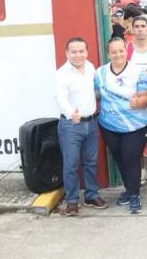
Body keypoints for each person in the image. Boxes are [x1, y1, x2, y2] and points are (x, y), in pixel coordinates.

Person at [95, 37, 147, 214]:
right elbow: (96, 95)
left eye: (121, 50)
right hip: (109, 125)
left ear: (126, 50)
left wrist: (140, 102)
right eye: (113, 52)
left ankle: (134, 195)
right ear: (108, 53)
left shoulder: (139, 71)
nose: (118, 54)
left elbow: (145, 97)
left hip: (137, 124)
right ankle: (129, 189)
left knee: (130, 157)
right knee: (119, 157)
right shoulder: (100, 73)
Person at [55, 37, 106, 216]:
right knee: (71, 165)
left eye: (81, 51)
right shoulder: (62, 74)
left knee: (91, 162)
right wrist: (71, 113)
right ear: (67, 53)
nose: (78, 55)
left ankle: (91, 195)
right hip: (71, 125)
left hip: (91, 123)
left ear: (87, 52)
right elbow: (61, 98)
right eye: (74, 51)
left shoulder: (91, 67)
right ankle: (72, 201)